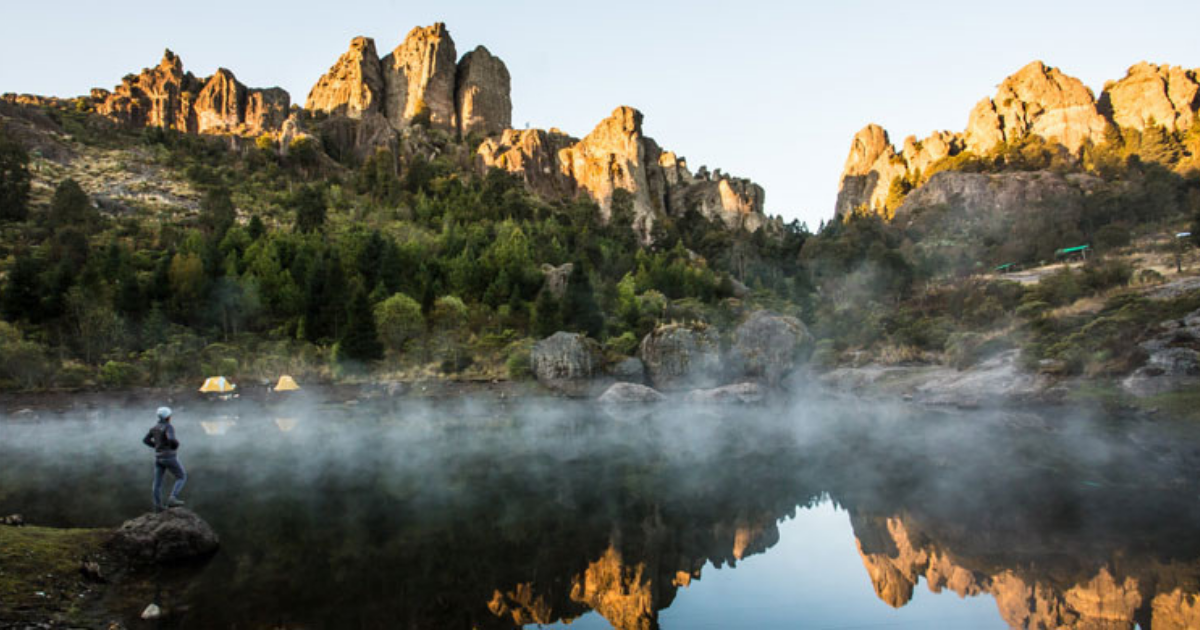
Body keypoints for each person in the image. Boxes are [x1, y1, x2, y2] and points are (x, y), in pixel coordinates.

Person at [143, 406, 187, 511]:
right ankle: (173, 498)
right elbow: (171, 439)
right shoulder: (168, 427)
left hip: (158, 457)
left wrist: (157, 447)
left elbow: (145, 440)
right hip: (169, 456)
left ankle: (157, 506)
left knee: (157, 483)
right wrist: (175, 446)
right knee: (181, 476)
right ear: (168, 417)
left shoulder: (154, 428)